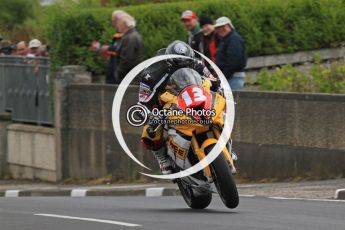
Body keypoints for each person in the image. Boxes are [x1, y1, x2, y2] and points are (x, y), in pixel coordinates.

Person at [137, 41, 220, 174]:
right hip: (165, 103)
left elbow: (215, 82)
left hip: (192, 96)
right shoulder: (152, 74)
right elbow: (142, 102)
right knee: (150, 130)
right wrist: (151, 114)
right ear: (169, 62)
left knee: (220, 110)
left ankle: (227, 145)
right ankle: (163, 158)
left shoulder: (196, 63)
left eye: (187, 64)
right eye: (178, 66)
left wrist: (219, 89)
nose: (185, 67)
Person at [214, 16, 247, 90]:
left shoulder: (234, 39)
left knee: (233, 100)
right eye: (219, 27)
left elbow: (234, 61)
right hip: (230, 77)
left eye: (223, 26)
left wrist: (224, 75)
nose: (221, 29)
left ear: (229, 26)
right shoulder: (225, 39)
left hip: (233, 77)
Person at [113, 12, 144, 83]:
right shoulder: (132, 35)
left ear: (124, 24)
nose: (117, 25)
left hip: (130, 78)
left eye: (118, 23)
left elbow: (126, 59)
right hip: (132, 77)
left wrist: (118, 74)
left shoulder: (130, 38)